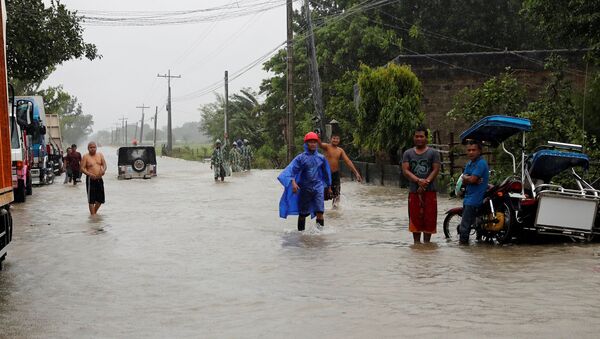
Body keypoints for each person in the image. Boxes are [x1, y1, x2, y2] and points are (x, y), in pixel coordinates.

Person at [278, 132, 332, 231]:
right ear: (306, 144)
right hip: (304, 188)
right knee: (303, 213)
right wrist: (293, 182)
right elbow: (291, 171)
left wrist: (329, 187)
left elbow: (326, 173)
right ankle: (301, 235)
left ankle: (320, 235)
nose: (313, 144)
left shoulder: (321, 158)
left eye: (315, 142)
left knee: (320, 212)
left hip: (318, 187)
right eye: (310, 142)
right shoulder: (300, 158)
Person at [401, 126, 441, 244]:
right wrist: (418, 181)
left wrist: (425, 183)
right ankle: (417, 245)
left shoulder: (433, 153)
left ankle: (427, 245)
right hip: (414, 191)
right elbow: (405, 171)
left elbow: (435, 170)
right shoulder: (408, 153)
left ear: (426, 138)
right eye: (416, 136)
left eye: (421, 136)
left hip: (430, 191)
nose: (419, 139)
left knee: (429, 218)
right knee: (415, 219)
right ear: (413, 138)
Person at [318, 132, 363, 208]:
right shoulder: (327, 146)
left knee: (337, 194)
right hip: (325, 174)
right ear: (331, 139)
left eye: (337, 138)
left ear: (339, 140)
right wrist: (317, 137)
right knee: (321, 194)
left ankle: (335, 212)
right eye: (334, 138)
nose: (335, 140)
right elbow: (320, 145)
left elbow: (348, 161)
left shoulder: (340, 150)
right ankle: (320, 212)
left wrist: (356, 173)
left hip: (335, 174)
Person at [458, 140, 489, 245]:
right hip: (468, 197)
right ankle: (478, 242)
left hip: (474, 199)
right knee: (475, 223)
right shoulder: (470, 163)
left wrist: (469, 179)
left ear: (479, 151)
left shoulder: (481, 163)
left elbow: (471, 180)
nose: (471, 152)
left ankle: (463, 245)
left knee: (465, 225)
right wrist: (469, 178)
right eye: (469, 150)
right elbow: (465, 178)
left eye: (473, 150)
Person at [80, 142, 107, 215]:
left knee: (101, 199)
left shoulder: (100, 155)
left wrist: (103, 170)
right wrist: (89, 174)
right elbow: (82, 168)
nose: (92, 149)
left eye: (94, 147)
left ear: (96, 148)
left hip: (99, 178)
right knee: (91, 200)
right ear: (88, 148)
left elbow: (104, 164)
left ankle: (93, 213)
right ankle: (93, 216)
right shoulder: (85, 156)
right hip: (90, 180)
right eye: (91, 147)